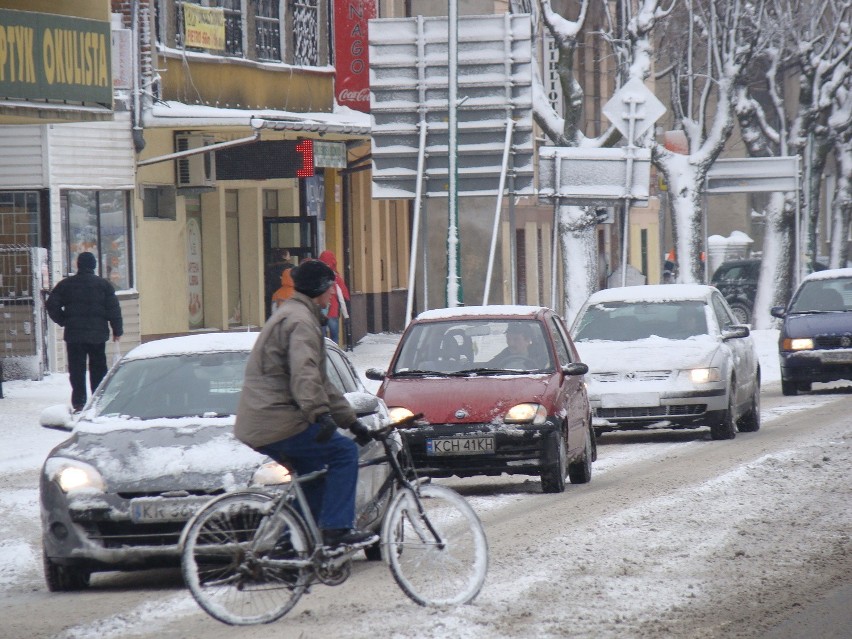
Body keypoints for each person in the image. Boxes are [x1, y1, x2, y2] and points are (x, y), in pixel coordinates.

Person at [234, 259, 377, 549]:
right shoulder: (301, 321)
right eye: (330, 289)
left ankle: (289, 547)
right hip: (276, 419)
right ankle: (336, 529)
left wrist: (350, 420)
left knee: (314, 477)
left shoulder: (297, 314)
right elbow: (305, 372)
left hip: (266, 418)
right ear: (320, 290)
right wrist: (320, 414)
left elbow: (322, 381)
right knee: (343, 453)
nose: (333, 295)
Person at [46, 252, 123, 412]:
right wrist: (117, 330)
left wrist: (64, 320)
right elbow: (113, 309)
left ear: (78, 265)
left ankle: (79, 402)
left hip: (75, 335)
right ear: (94, 266)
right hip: (97, 335)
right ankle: (97, 400)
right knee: (98, 368)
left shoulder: (67, 285)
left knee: (76, 370)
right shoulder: (104, 285)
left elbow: (51, 304)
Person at [318, 250, 350, 345]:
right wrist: (346, 314)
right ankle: (334, 354)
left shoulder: (318, 276)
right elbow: (343, 295)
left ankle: (324, 355)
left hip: (321, 311)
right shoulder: (335, 277)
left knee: (321, 338)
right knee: (334, 338)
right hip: (333, 311)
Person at [264, 248, 293, 319]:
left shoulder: (269, 269)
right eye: (289, 255)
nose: (290, 257)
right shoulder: (291, 268)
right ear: (284, 256)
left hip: (272, 296)